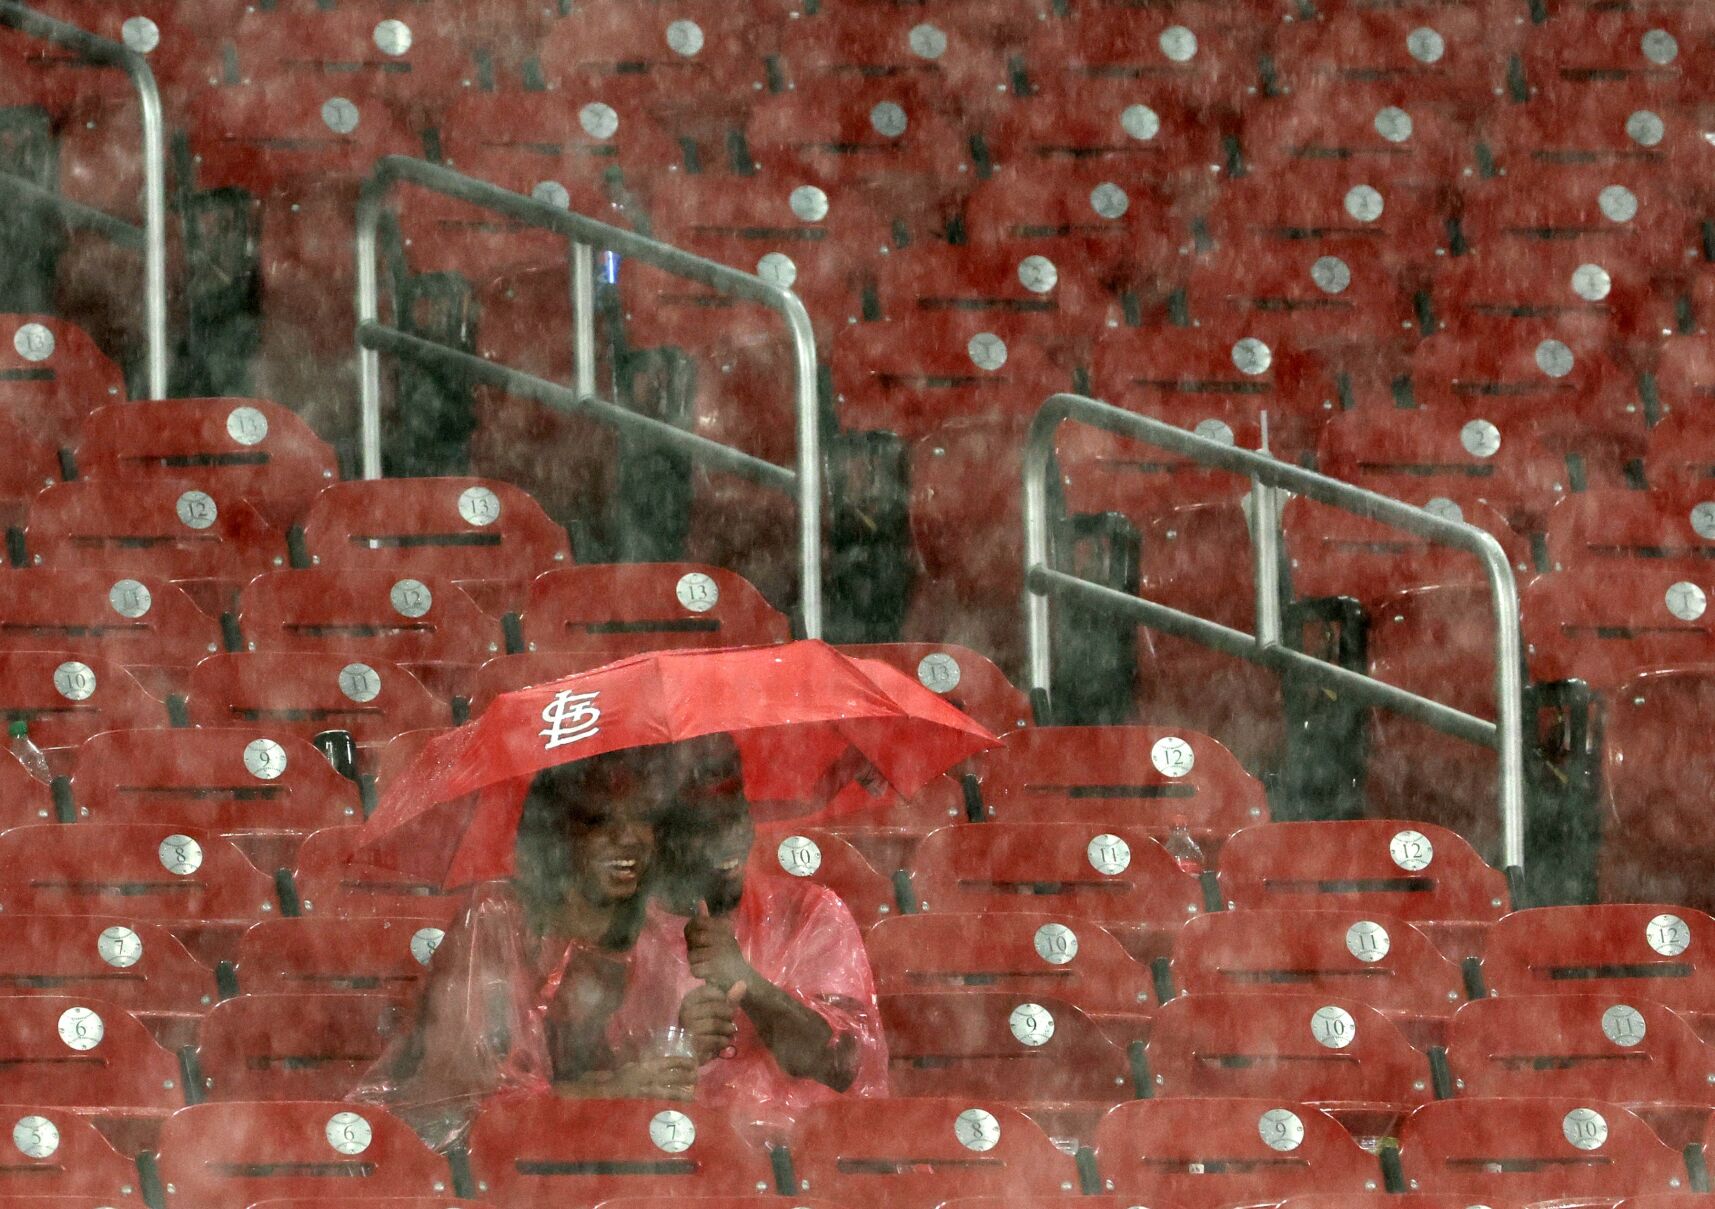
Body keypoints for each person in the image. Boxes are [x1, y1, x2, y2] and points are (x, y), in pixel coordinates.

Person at [353, 748, 697, 1149]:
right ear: (556, 834)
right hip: (489, 1167)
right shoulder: (494, 920)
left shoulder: (654, 938)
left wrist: (696, 1041)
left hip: (612, 1159)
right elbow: (463, 1098)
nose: (629, 838)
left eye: (644, 818)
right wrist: (609, 1091)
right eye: (599, 820)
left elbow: (661, 1082)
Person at [616, 742, 889, 1139]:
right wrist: (678, 1045)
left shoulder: (810, 911)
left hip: (813, 1161)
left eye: (736, 811)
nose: (729, 838)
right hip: (683, 1171)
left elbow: (841, 1064)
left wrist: (745, 982)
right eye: (701, 825)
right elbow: (598, 1082)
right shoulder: (621, 935)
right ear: (658, 833)